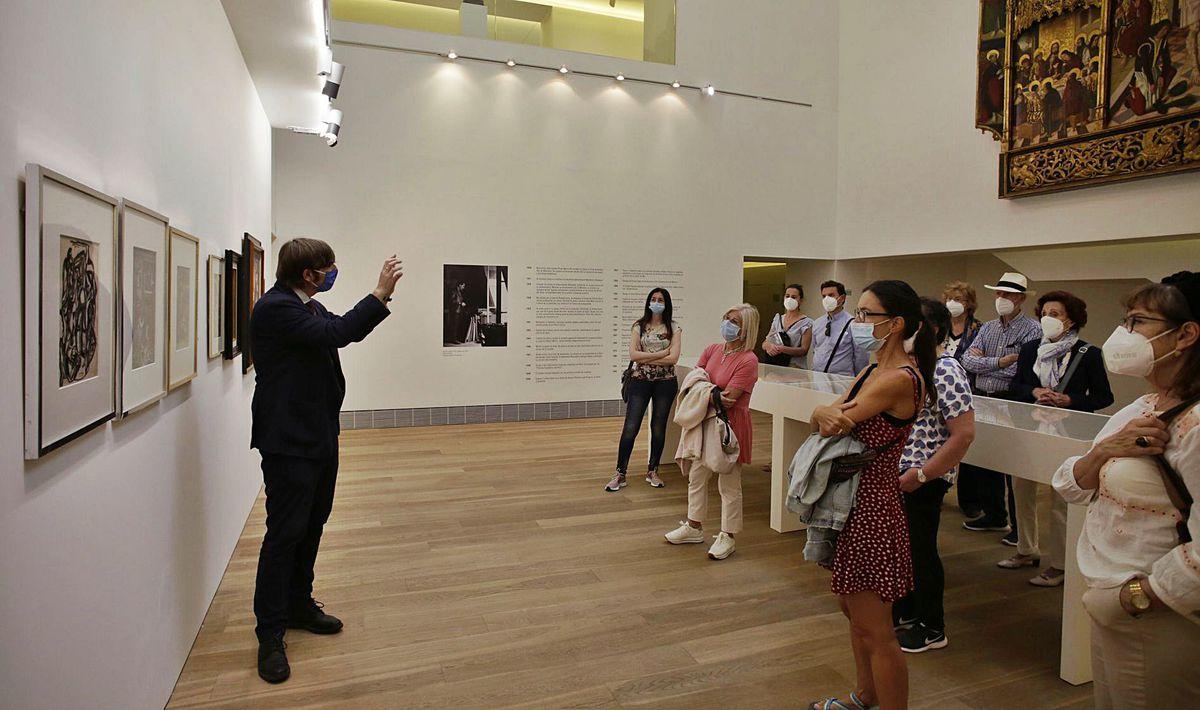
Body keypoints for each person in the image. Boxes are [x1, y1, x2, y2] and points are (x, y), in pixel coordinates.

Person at [249, 239, 402, 684]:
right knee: (284, 534)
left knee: (313, 523)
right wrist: (379, 294)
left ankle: (298, 604)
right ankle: (270, 633)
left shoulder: (307, 307)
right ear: (307, 274)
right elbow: (340, 333)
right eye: (327, 267)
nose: (333, 271)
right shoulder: (277, 308)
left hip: (317, 435)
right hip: (289, 441)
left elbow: (337, 328)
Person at [1051, 272, 1200, 709]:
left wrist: (1137, 597)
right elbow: (1071, 483)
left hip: (1159, 613)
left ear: (1187, 334)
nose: (1124, 333)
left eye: (1138, 321)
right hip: (1114, 603)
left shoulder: (1195, 423)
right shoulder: (1145, 405)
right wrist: (1104, 453)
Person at [807, 280, 935, 710]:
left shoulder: (899, 378)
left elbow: (833, 419)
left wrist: (825, 414)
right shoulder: (870, 371)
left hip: (872, 508)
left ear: (896, 324)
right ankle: (864, 696)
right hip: (852, 505)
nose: (858, 322)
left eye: (866, 315)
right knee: (854, 613)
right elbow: (826, 416)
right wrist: (824, 413)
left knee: (877, 629)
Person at [1002, 291, 1113, 586]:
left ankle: (1061, 564)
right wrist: (1035, 392)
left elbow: (1104, 396)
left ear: (1071, 320)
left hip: (1068, 433)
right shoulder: (1029, 350)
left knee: (1060, 498)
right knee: (1021, 488)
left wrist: (1069, 399)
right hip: (1031, 428)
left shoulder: (1087, 353)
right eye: (1045, 313)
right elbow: (1017, 385)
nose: (1048, 319)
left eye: (1057, 314)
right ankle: (1026, 548)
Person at [894, 299, 975, 654]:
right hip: (904, 474)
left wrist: (923, 475)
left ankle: (932, 627)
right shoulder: (913, 367)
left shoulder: (945, 370)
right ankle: (910, 610)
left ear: (935, 329)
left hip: (924, 476)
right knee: (908, 547)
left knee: (922, 549)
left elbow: (963, 433)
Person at [664, 304, 760, 561]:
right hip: (705, 421)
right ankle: (694, 526)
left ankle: (728, 535)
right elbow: (693, 380)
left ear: (746, 327)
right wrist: (713, 393)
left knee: (728, 483)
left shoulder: (749, 360)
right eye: (726, 318)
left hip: (730, 427)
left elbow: (730, 398)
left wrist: (709, 391)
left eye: (735, 321)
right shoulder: (712, 350)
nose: (728, 324)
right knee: (697, 475)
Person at [961, 272, 1041, 538]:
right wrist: (999, 362)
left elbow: (1021, 372)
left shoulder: (1032, 329)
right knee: (986, 458)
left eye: (1007, 294)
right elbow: (967, 362)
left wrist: (986, 364)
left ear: (1020, 298)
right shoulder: (988, 328)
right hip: (982, 397)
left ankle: (1020, 530)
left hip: (1011, 401)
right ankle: (994, 515)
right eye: (998, 293)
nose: (1001, 298)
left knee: (1012, 466)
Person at [607, 288, 682, 491]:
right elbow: (633, 355)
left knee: (658, 427)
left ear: (667, 304)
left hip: (666, 383)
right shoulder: (639, 326)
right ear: (648, 302)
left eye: (660, 300)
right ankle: (620, 473)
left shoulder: (674, 327)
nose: (656, 302)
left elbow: (674, 359)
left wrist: (647, 356)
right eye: (653, 299)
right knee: (631, 427)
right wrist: (663, 353)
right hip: (640, 381)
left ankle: (653, 470)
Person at [942, 282, 985, 521]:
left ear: (969, 303)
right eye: (949, 298)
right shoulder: (940, 327)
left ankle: (970, 501)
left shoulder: (978, 329)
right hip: (938, 390)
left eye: (958, 298)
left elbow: (977, 360)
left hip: (966, 391)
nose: (953, 303)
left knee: (965, 447)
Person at [812, 280, 869, 377]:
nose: (827, 299)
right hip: (818, 377)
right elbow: (815, 349)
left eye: (831, 295)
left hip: (841, 379)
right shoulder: (817, 323)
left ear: (842, 298)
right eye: (824, 296)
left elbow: (861, 357)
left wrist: (858, 380)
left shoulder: (852, 324)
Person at [762, 283, 814, 368]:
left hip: (795, 368)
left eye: (794, 297)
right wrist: (769, 346)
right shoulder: (778, 319)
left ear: (801, 300)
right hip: (776, 367)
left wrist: (781, 349)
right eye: (787, 296)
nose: (790, 299)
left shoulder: (807, 323)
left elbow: (804, 350)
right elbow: (766, 342)